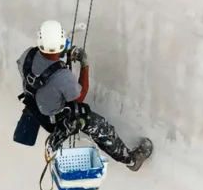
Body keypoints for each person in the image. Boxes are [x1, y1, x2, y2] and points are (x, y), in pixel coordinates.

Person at [15, 20, 152, 170]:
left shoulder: (27, 54)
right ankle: (130, 160)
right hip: (53, 119)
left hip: (35, 105)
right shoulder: (63, 77)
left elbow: (44, 59)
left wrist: (58, 57)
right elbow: (79, 97)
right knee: (94, 122)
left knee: (49, 89)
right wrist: (84, 64)